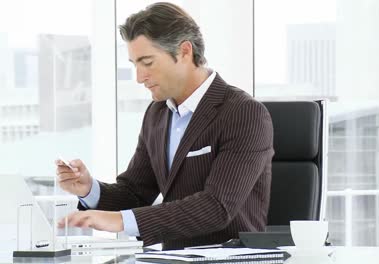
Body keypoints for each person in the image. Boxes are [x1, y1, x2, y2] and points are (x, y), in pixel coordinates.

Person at [55, 2, 274, 250]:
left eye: (147, 62)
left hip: (228, 257)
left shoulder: (244, 113)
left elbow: (217, 207)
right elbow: (135, 193)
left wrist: (119, 221)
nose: (139, 77)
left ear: (184, 51)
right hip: (171, 258)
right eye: (134, 64)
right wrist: (89, 189)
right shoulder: (157, 113)